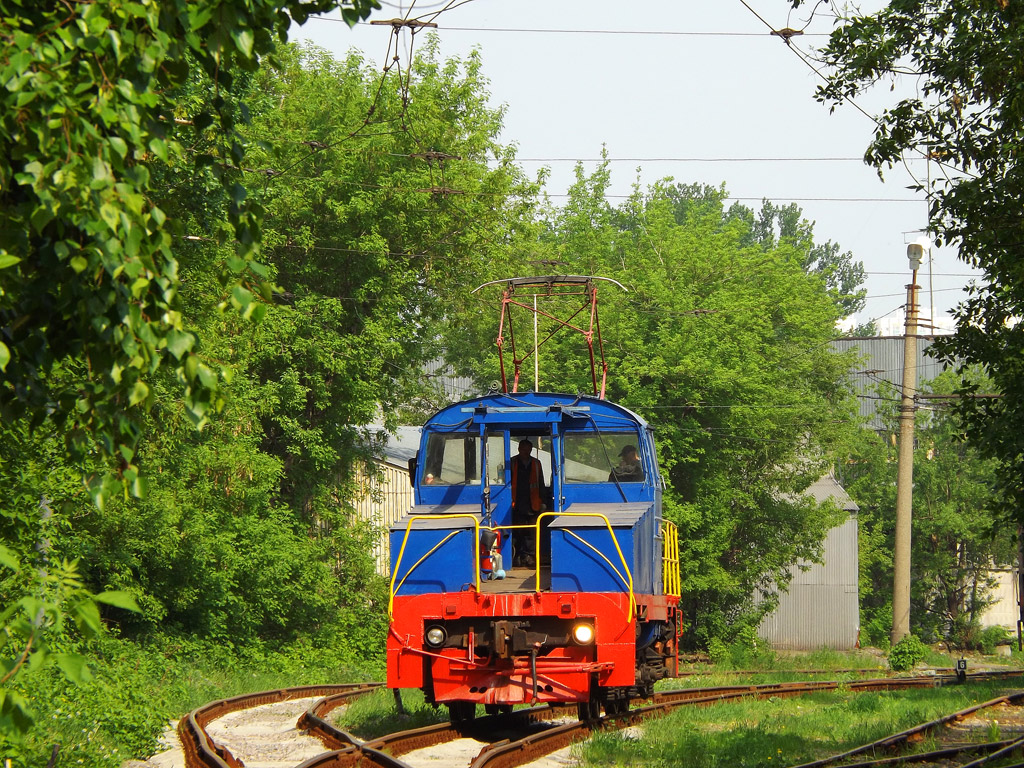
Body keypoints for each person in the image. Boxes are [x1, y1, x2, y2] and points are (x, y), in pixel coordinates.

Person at [510, 438, 545, 567]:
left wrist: (543, 502)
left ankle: (529, 556)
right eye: (523, 449)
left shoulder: (536, 463)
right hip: (516, 504)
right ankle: (517, 556)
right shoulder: (512, 463)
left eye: (528, 449)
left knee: (531, 532)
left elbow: (540, 482)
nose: (526, 452)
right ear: (518, 449)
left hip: (533, 504)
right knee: (518, 532)